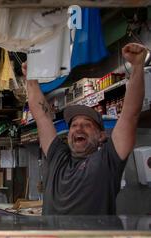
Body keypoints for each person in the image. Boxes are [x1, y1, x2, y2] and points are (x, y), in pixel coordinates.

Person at [23, 43, 147, 215]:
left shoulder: (108, 160)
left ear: (102, 136)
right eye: (73, 125)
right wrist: (31, 79)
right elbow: (42, 116)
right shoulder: (58, 156)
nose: (78, 128)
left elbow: (130, 115)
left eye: (87, 124)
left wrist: (138, 66)